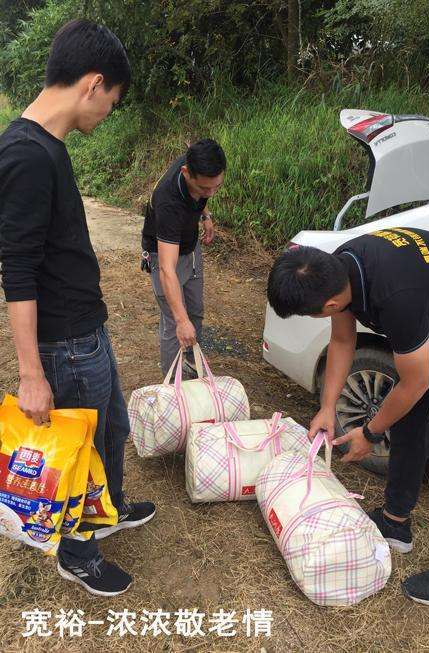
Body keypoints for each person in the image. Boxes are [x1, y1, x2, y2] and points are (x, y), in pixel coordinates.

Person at [0, 19, 155, 597]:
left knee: (112, 427)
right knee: (76, 452)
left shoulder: (48, 146)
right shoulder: (27, 156)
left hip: (87, 329)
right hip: (63, 343)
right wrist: (31, 374)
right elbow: (17, 271)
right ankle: (78, 553)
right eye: (111, 102)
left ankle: (109, 506)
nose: (108, 113)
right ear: (93, 83)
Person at [267, 228, 429, 606]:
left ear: (330, 304)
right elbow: (342, 341)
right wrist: (327, 406)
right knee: (406, 422)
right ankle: (395, 522)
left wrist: (369, 433)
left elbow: (416, 381)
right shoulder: (341, 266)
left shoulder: (396, 294)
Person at [141, 139, 226, 377]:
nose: (210, 193)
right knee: (174, 321)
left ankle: (190, 360)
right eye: (204, 189)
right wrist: (181, 320)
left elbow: (205, 189)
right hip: (165, 254)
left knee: (195, 311)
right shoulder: (168, 201)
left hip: (190, 246)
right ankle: (172, 383)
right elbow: (167, 269)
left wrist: (205, 215)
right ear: (186, 173)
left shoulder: (199, 161)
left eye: (216, 187)